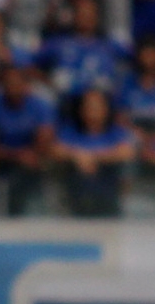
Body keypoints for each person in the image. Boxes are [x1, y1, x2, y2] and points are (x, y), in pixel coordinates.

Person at [0, 63, 55, 216]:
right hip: (1, 162)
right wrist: (17, 156)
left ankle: (38, 215)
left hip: (32, 164)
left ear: (26, 85)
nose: (12, 86)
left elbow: (44, 141)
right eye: (8, 83)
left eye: (17, 82)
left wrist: (29, 156)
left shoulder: (40, 107)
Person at [54, 87, 136, 217]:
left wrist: (93, 158)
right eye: (89, 106)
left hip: (108, 192)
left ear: (106, 109)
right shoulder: (72, 131)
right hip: (77, 192)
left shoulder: (114, 131)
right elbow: (56, 150)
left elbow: (127, 151)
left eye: (97, 106)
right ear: (81, 109)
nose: (93, 110)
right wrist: (76, 156)